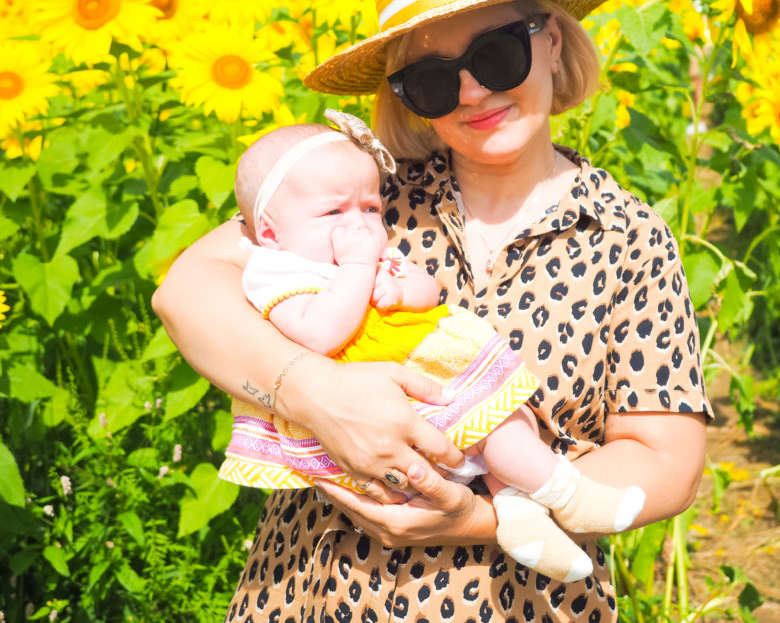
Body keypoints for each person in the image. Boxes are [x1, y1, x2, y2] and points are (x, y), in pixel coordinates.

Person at [153, 0, 712, 622]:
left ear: (554, 43)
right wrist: (316, 394)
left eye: (498, 54)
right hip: (316, 587)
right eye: (433, 79)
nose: (473, 92)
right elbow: (187, 288)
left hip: (520, 599)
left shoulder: (626, 234)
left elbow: (667, 462)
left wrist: (475, 520)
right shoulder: (361, 196)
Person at [222, 112, 645, 582]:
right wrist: (359, 270)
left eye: (370, 209)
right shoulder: (279, 271)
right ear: (271, 231)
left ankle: (518, 515)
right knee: (500, 433)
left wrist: (401, 289)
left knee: (515, 414)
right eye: (333, 212)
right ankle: (570, 496)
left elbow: (430, 292)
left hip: (427, 379)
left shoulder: (365, 253)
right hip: (384, 414)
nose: (359, 224)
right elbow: (320, 333)